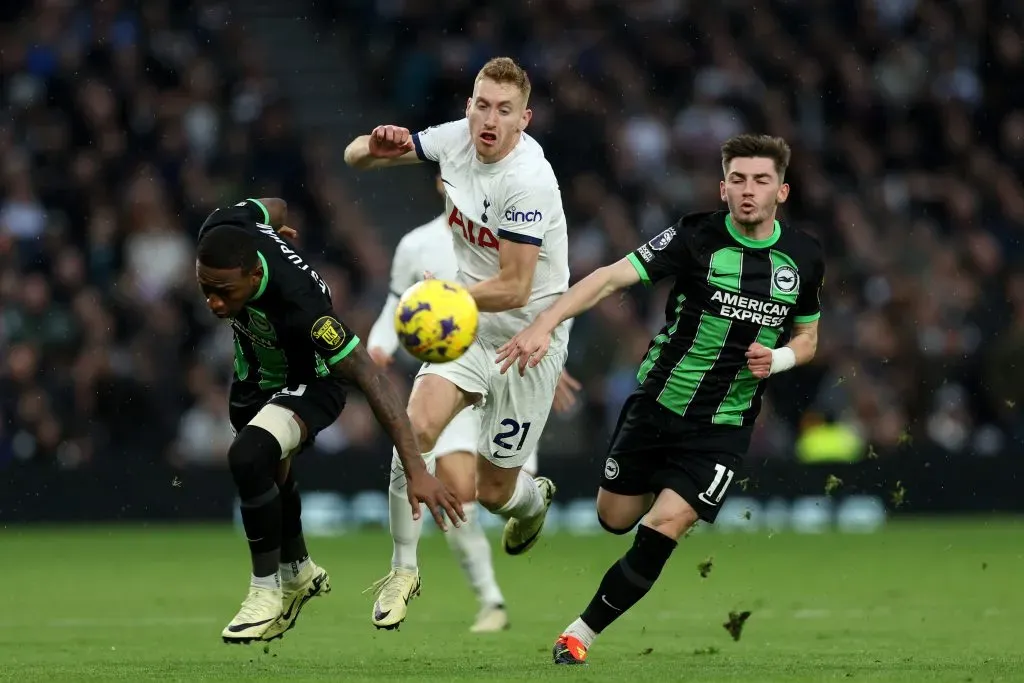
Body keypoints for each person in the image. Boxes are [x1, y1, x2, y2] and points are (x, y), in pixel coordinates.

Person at [495, 134, 825, 665]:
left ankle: (579, 634)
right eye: (737, 179)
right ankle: (628, 496)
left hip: (724, 423)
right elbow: (608, 278)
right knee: (614, 518)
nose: (748, 190)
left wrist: (781, 359)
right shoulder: (697, 236)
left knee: (665, 524)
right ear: (722, 187)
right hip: (656, 405)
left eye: (761, 180)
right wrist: (545, 322)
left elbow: (808, 338)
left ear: (781, 191)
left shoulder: (804, 257)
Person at [344, 56, 572, 630]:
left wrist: (447, 297)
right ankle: (403, 568)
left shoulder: (530, 179)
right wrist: (376, 143)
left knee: (494, 492)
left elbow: (518, 285)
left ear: (525, 119)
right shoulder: (453, 142)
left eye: (504, 110)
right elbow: (352, 160)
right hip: (467, 330)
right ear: (468, 106)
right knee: (413, 428)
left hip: (528, 337)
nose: (488, 119)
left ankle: (532, 499)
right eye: (481, 105)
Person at [195, 197, 462, 644]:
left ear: (256, 275)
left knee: (248, 457)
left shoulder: (301, 303)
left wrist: (416, 468)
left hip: (311, 384)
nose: (213, 302)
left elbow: (371, 379)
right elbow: (275, 205)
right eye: (206, 287)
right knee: (270, 475)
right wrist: (283, 224)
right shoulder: (222, 228)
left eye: (225, 291)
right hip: (253, 378)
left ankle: (265, 593)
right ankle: (299, 572)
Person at [367, 174, 582, 632]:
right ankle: (434, 580)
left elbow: (542, 290)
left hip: (515, 362)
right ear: (441, 186)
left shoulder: (515, 224)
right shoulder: (416, 244)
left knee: (491, 493)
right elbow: (396, 304)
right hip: (460, 361)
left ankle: (531, 504)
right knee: (427, 446)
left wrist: (553, 360)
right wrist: (380, 344)